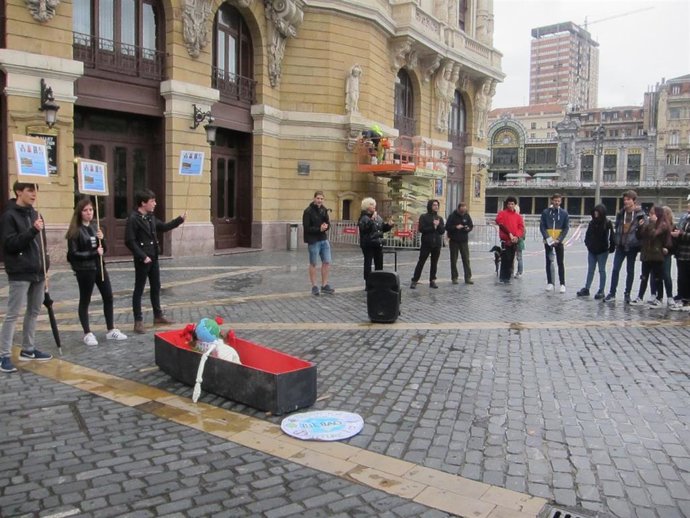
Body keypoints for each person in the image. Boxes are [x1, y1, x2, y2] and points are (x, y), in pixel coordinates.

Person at [0, 182, 53, 373]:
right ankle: (4, 355)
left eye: (35, 190)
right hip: (20, 271)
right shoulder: (9, 216)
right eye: (30, 190)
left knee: (34, 311)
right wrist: (32, 230)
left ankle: (28, 349)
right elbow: (10, 245)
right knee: (13, 314)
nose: (34, 194)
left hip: (38, 271)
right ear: (19, 192)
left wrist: (46, 266)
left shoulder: (36, 214)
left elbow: (42, 244)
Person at [66, 197, 128, 345]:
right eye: (86, 210)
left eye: (91, 210)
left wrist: (103, 239)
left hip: (99, 267)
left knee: (108, 297)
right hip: (85, 270)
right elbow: (72, 255)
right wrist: (94, 253)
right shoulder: (75, 231)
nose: (89, 213)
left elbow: (103, 249)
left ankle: (111, 329)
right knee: (85, 300)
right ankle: (87, 333)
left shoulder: (95, 227)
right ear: (80, 212)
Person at [125, 189, 186, 334]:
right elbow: (129, 241)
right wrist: (142, 256)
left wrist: (179, 220)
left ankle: (158, 316)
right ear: (143, 203)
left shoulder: (151, 217)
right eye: (152, 201)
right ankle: (138, 321)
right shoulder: (133, 218)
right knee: (138, 290)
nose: (155, 204)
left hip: (154, 258)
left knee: (156, 287)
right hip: (143, 260)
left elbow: (163, 227)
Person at [604, 190, 645, 304]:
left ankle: (627, 294)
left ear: (634, 201)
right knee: (615, 269)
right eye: (625, 200)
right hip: (621, 245)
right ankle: (612, 293)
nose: (626, 202)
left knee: (630, 270)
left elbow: (643, 231)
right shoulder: (621, 213)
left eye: (628, 199)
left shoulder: (640, 214)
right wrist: (616, 241)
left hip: (632, 246)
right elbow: (617, 227)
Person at [629, 206, 670, 308]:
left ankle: (659, 298)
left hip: (656, 255)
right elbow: (639, 236)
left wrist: (650, 224)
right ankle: (640, 297)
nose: (650, 216)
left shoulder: (663, 225)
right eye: (650, 214)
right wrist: (640, 227)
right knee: (644, 277)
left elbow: (653, 234)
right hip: (646, 254)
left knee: (657, 278)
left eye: (653, 214)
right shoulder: (648, 225)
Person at [577, 204, 615, 299]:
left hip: (602, 250)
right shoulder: (592, 222)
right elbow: (588, 234)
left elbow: (612, 236)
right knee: (590, 270)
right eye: (595, 212)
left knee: (601, 270)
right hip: (592, 250)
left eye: (597, 212)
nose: (596, 213)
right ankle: (587, 288)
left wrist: (611, 247)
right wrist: (588, 244)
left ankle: (601, 290)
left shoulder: (607, 223)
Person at [303, 191, 334, 296]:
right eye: (318, 198)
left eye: (321, 198)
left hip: (323, 239)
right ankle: (314, 286)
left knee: (327, 262)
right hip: (313, 240)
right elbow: (306, 228)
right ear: (314, 198)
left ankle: (324, 285)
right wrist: (319, 229)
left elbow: (328, 223)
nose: (319, 200)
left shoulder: (324, 210)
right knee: (313, 263)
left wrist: (326, 227)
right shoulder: (308, 211)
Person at [410, 199, 445, 289]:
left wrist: (438, 226)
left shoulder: (439, 218)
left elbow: (442, 231)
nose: (436, 206)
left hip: (436, 244)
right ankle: (415, 280)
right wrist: (433, 227)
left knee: (434, 263)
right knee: (421, 262)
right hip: (426, 243)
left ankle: (432, 280)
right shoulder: (424, 217)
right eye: (434, 205)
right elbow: (422, 229)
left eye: (437, 205)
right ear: (430, 206)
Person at [539, 193, 570, 293]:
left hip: (559, 241)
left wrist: (559, 239)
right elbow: (542, 226)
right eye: (555, 200)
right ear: (552, 201)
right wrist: (548, 238)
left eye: (558, 201)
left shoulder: (564, 213)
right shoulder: (545, 212)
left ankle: (562, 284)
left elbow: (566, 228)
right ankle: (550, 282)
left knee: (560, 262)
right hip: (548, 240)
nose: (557, 202)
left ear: (561, 202)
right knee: (548, 261)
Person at [358, 198, 393, 283]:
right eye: (371, 204)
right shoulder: (363, 218)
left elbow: (381, 229)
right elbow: (364, 229)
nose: (374, 206)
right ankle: (368, 282)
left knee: (379, 263)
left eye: (374, 204)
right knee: (368, 263)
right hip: (368, 244)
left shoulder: (378, 217)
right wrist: (371, 220)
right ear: (366, 206)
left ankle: (378, 281)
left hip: (377, 243)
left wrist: (388, 225)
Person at [495, 196, 524, 283]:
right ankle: (503, 277)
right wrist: (509, 234)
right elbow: (500, 223)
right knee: (505, 259)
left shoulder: (518, 217)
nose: (510, 205)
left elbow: (521, 228)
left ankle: (507, 277)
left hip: (514, 241)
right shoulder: (502, 213)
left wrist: (517, 237)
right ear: (506, 204)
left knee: (511, 259)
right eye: (509, 204)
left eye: (512, 204)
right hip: (505, 240)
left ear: (515, 205)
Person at [669, 197, 690, 311]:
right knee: (681, 277)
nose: (688, 205)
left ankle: (687, 300)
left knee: (687, 277)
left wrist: (681, 234)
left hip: (688, 253)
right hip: (681, 252)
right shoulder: (684, 217)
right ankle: (681, 296)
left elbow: (685, 234)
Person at [446, 202, 473, 284]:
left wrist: (468, 228)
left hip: (464, 240)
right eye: (462, 210)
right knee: (453, 260)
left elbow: (471, 225)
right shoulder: (452, 216)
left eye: (464, 210)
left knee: (466, 259)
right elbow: (447, 227)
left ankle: (468, 277)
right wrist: (455, 227)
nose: (463, 212)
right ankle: (454, 277)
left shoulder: (467, 215)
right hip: (454, 241)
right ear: (458, 209)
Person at [513, 204, 524, 279]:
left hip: (517, 241)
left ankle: (518, 271)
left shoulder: (517, 219)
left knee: (517, 257)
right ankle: (519, 272)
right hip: (520, 241)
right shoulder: (521, 219)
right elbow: (524, 232)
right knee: (519, 257)